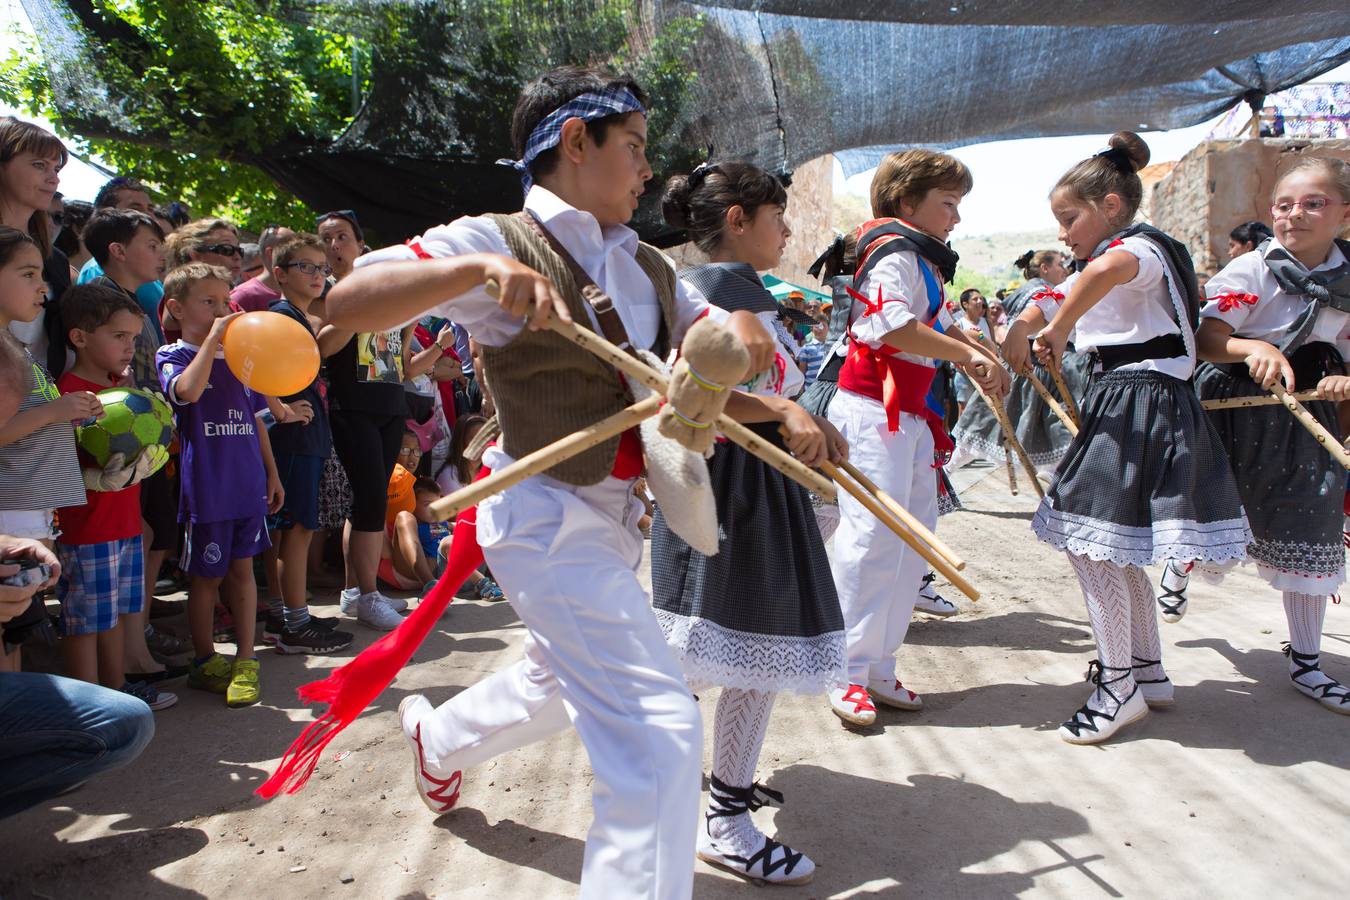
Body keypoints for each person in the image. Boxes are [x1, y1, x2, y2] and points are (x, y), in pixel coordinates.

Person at [323, 65, 779, 899]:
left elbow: (713, 348)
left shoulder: (646, 265)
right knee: (656, 733)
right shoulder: (493, 237)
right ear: (577, 142)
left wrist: (753, 355)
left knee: (555, 679)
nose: (647, 171)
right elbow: (348, 301)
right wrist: (475, 277)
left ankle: (439, 741)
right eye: (635, 148)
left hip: (616, 520)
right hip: (541, 519)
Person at [653, 160, 848, 885]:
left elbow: (774, 390)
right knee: (714, 660)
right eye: (777, 217)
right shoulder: (707, 297)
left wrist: (814, 423)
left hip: (761, 490)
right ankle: (723, 820)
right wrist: (785, 410)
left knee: (745, 660)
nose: (788, 230)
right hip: (727, 491)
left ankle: (725, 806)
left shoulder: (754, 297)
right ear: (738, 220)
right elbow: (695, 399)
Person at [1023, 132, 1250, 745]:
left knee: (1089, 545)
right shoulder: (1151, 254)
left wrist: (1062, 325)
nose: (1065, 234)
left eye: (1070, 219)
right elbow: (1078, 282)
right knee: (1115, 546)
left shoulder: (1137, 250)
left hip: (1137, 400)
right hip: (1140, 398)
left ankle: (1118, 684)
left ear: (1113, 208)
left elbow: (1105, 269)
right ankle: (1147, 671)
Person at [815, 150, 1007, 728]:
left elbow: (939, 321)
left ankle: (877, 663)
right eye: (947, 204)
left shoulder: (920, 258)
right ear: (906, 202)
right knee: (872, 539)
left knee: (910, 543)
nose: (955, 218)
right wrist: (969, 353)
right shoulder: (893, 252)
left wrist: (970, 343)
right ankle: (844, 669)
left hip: (910, 417)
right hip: (876, 413)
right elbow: (892, 326)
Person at [1155, 157, 1350, 715]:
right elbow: (1210, 338)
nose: (1295, 216)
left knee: (1311, 521)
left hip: (1307, 411)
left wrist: (1343, 378)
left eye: (1314, 204)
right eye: (1285, 205)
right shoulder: (1251, 271)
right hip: (1235, 405)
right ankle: (1180, 565)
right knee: (1217, 509)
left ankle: (1308, 663)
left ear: (1344, 213)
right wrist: (1254, 347)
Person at [157, 262, 284, 707]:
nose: (220, 310)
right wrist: (212, 342)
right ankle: (206, 661)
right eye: (206, 302)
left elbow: (257, 419)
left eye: (223, 301)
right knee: (206, 580)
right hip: (207, 491)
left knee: (244, 573)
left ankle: (246, 660)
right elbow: (187, 394)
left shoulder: (243, 360)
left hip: (247, 484)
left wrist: (271, 472)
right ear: (176, 307)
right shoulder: (172, 355)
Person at [54, 283, 175, 710]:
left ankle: (117, 689)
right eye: (119, 337)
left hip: (121, 524)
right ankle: (86, 705)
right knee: (85, 621)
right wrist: (96, 479)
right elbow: (57, 464)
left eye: (133, 338)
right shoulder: (67, 393)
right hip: (88, 528)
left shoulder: (120, 390)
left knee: (116, 615)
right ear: (80, 337)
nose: (130, 347)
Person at [81, 207, 184, 680]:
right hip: (121, 442)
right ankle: (129, 654)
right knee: (142, 535)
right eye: (151, 244)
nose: (160, 254)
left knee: (150, 533)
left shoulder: (137, 301)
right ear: (118, 251)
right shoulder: (101, 299)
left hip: (150, 441)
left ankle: (135, 646)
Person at [0, 227, 94, 677]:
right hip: (11, 512)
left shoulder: (15, 345)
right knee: (11, 630)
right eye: (28, 273)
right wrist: (56, 410)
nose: (44, 286)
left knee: (20, 628)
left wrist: (66, 415)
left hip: (34, 510)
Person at [314, 209, 412, 632]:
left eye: (341, 237)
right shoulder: (327, 295)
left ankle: (357, 592)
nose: (334, 246)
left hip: (389, 401)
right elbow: (322, 346)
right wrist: (357, 309)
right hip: (351, 406)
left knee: (367, 502)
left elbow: (400, 349)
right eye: (326, 239)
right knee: (371, 497)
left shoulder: (383, 286)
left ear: (360, 244)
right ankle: (370, 597)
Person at [258, 234, 352, 655]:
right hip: (294, 437)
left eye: (322, 268)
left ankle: (284, 613)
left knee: (294, 530)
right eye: (306, 267)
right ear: (279, 273)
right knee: (297, 529)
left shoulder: (295, 315)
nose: (318, 275)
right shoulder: (281, 316)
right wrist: (280, 408)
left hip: (307, 433)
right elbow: (256, 370)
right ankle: (294, 624)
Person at [0, 116, 72, 377]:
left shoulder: (57, 262)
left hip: (47, 404)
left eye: (56, 169)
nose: (53, 179)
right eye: (39, 165)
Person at [230, 224, 295, 313]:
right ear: (271, 253)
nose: (302, 254)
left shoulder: (305, 290)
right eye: (293, 249)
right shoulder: (243, 296)